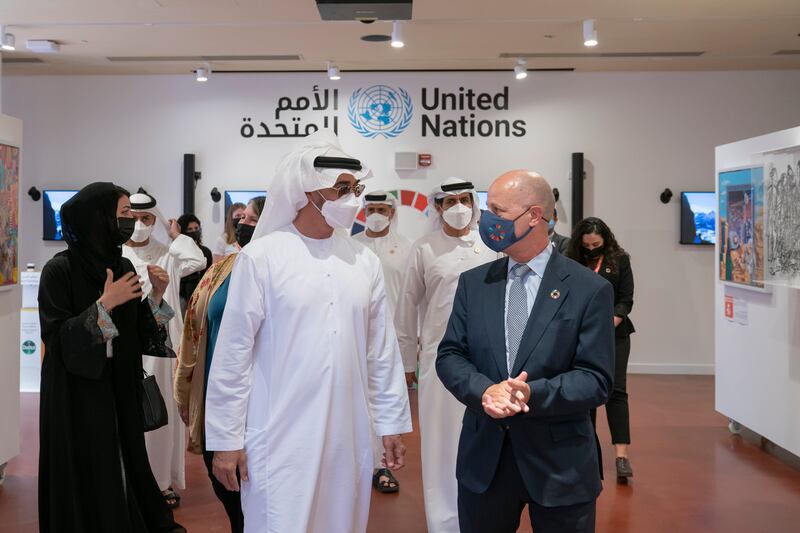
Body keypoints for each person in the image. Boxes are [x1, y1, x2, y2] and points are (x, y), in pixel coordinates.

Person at [204, 131, 412, 533]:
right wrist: (226, 439)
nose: (353, 198)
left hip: (348, 435)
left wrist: (390, 424)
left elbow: (380, 352)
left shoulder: (363, 261)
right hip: (279, 433)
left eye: (356, 188)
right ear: (305, 192)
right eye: (342, 189)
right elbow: (234, 355)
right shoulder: (262, 258)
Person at [436, 170, 615, 533]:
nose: (486, 221)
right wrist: (484, 390)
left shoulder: (588, 290)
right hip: (485, 462)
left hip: (560, 467)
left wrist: (531, 392)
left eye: (497, 212)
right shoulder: (474, 284)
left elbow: (595, 379)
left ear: (534, 216)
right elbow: (451, 354)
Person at [38, 182, 185, 532]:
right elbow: (57, 340)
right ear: (96, 219)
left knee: (126, 463)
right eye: (122, 216)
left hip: (119, 389)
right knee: (85, 467)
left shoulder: (122, 267)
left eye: (131, 216)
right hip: (76, 395)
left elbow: (143, 333)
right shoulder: (58, 271)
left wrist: (159, 297)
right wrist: (105, 305)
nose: (129, 223)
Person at [395, 177, 498, 533]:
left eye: (464, 199)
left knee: (486, 441)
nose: (458, 207)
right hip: (439, 363)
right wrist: (407, 363)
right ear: (437, 207)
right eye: (449, 201)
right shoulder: (424, 249)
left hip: (489, 362)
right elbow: (406, 309)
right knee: (440, 446)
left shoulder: (491, 247)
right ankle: (444, 523)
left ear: (473, 202)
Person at [175, 195, 266, 533]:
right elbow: (194, 326)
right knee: (230, 497)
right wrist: (188, 391)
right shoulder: (223, 267)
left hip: (260, 407)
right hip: (217, 399)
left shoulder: (274, 271)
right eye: (241, 219)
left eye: (252, 220)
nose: (243, 225)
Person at [122, 192, 207, 508]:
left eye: (147, 219)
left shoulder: (168, 254)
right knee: (127, 412)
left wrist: (176, 236)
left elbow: (197, 260)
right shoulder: (115, 255)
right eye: (134, 219)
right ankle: (129, 481)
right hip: (124, 343)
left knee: (160, 414)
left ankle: (160, 483)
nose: (140, 225)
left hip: (161, 348)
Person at [566, 217, 636, 480]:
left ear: (605, 240)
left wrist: (609, 324)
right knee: (587, 392)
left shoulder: (619, 260)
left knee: (616, 392)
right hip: (581, 335)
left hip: (615, 334)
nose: (592, 248)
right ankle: (588, 453)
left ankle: (621, 456)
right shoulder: (571, 259)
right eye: (587, 245)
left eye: (596, 244)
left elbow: (626, 299)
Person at [353, 190, 413, 494]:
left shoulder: (407, 248)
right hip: (355, 337)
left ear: (392, 212)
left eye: (382, 208)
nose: (376, 213)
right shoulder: (351, 246)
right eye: (371, 208)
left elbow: (411, 298)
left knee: (384, 402)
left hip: (392, 338)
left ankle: (382, 466)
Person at [177, 213, 214, 314]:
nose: (194, 231)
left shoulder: (206, 251)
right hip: (182, 297)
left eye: (196, 228)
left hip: (202, 296)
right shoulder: (177, 252)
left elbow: (209, 275)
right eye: (190, 229)